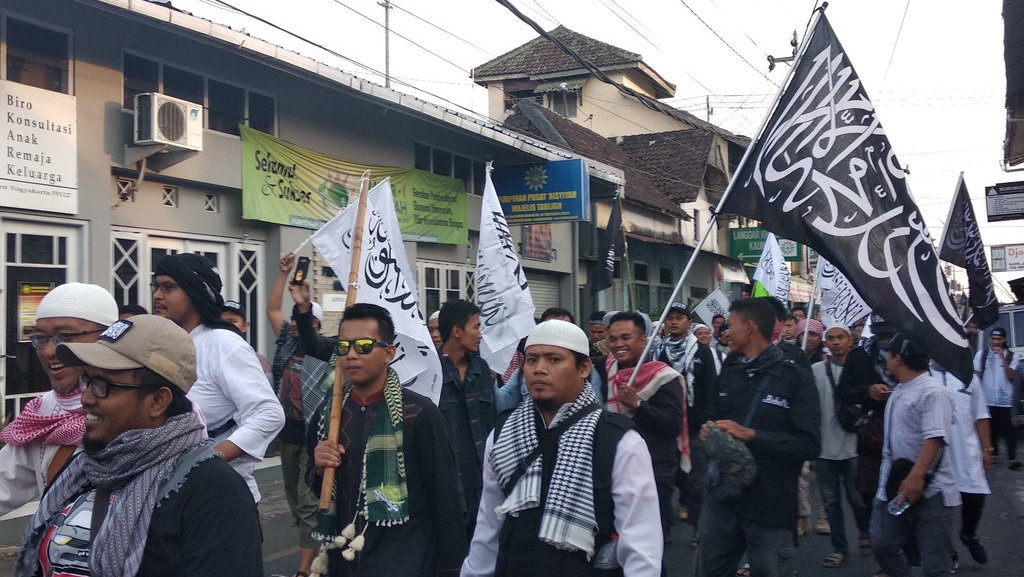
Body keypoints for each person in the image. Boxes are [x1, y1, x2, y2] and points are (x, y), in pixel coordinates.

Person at [14, 314, 263, 577]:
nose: (86, 398)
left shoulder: (212, 492)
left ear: (158, 401)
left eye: (102, 385)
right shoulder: (83, 470)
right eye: (86, 380)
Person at [461, 319, 662, 577]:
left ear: (584, 368)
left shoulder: (619, 441)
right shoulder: (503, 435)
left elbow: (641, 544)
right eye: (532, 360)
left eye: (554, 359)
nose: (539, 369)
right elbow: (489, 524)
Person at [309, 303, 466, 577]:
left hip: (405, 560)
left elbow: (446, 497)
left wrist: (451, 567)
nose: (352, 355)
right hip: (342, 560)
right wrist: (320, 466)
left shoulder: (418, 413)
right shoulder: (328, 415)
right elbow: (318, 489)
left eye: (365, 346)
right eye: (343, 347)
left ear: (389, 353)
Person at [695, 298, 820, 577]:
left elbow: (810, 444)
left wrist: (753, 435)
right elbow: (712, 416)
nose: (726, 331)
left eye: (732, 325)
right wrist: (710, 431)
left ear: (750, 327)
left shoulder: (794, 377)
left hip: (771, 501)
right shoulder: (730, 371)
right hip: (723, 496)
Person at [152, 252, 285, 502]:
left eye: (169, 287)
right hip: (165, 497)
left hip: (220, 499)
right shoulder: (161, 345)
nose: (158, 295)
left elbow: (268, 414)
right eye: (156, 286)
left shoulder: (222, 343)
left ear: (195, 292)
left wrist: (204, 462)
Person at [0, 283, 118, 517]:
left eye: (64, 336)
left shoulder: (147, 409)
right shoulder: (44, 412)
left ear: (108, 337)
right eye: (41, 339)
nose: (47, 351)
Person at [870, 333, 958, 577]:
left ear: (898, 359)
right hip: (893, 484)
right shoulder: (900, 389)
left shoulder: (933, 392)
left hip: (929, 489)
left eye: (889, 354)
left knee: (935, 564)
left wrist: (916, 477)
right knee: (882, 543)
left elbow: (935, 437)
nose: (886, 358)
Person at [266, 252, 328, 577]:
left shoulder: (324, 349)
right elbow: (272, 309)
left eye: (304, 320)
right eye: (294, 319)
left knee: (307, 502)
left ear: (316, 325)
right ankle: (318, 549)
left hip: (313, 435)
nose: (294, 323)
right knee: (294, 500)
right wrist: (284, 274)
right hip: (287, 434)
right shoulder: (286, 345)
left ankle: (305, 570)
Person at [604, 310, 684, 547]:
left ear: (642, 340)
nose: (618, 344)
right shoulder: (605, 370)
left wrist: (637, 404)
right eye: (613, 338)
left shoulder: (663, 376)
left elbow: (672, 425)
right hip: (615, 469)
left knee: (650, 547)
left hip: (654, 471)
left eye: (626, 338)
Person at [437, 299, 498, 533]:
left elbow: (491, 421)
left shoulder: (481, 369)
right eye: (476, 327)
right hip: (448, 486)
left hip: (483, 484)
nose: (480, 334)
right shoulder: (431, 372)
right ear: (457, 331)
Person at [813, 325, 870, 568]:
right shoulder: (815, 371)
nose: (836, 342)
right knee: (831, 502)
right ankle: (839, 548)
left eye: (840, 338)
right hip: (824, 449)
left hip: (854, 447)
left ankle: (865, 530)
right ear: (825, 343)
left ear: (851, 341)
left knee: (856, 498)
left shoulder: (863, 371)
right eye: (831, 338)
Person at [929, 360, 991, 567]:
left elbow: (980, 415)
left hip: (966, 449)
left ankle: (968, 533)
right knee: (941, 507)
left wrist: (986, 449)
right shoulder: (923, 376)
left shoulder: (968, 377)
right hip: (936, 452)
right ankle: (948, 552)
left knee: (975, 497)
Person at [973, 327, 1020, 469]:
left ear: (1005, 340)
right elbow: (977, 375)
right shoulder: (982, 354)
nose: (995, 342)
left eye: (999, 339)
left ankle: (1011, 459)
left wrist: (1002, 359)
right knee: (990, 429)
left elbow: (1011, 376)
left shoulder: (1012, 356)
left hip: (1005, 400)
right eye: (993, 339)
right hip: (987, 398)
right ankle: (993, 455)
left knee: (1009, 430)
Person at [222, 299, 272, 381]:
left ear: (245, 326)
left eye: (232, 321)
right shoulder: (204, 355)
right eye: (221, 321)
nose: (226, 325)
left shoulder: (259, 361)